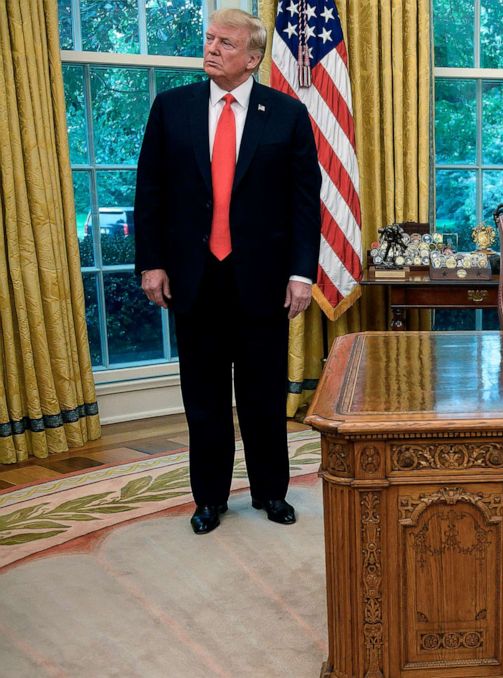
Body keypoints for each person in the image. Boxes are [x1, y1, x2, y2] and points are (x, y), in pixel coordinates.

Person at [134, 9, 320, 534]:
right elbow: (149, 193)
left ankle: (270, 493)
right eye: (210, 39)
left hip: (262, 282)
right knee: (205, 396)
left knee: (263, 395)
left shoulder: (286, 114)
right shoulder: (172, 109)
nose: (212, 48)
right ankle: (209, 499)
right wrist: (151, 262)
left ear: (253, 57)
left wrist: (301, 274)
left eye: (226, 43)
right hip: (195, 279)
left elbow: (306, 203)